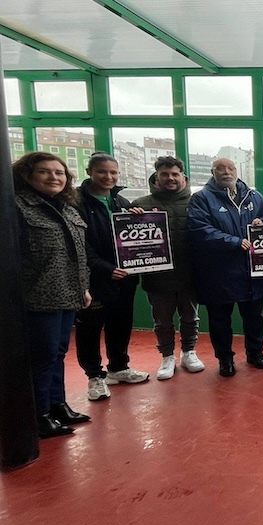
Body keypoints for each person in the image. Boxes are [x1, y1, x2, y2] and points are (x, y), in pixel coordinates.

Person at [14, 152, 92, 437]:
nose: (54, 178)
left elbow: (79, 254)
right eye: (45, 172)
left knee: (58, 352)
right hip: (37, 295)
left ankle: (58, 405)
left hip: (69, 292)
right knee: (42, 355)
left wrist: (83, 287)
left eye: (59, 173)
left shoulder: (67, 208)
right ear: (27, 175)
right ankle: (39, 414)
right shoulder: (17, 207)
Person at [187, 158, 263, 377]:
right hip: (218, 273)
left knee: (255, 318)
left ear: (237, 171)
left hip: (252, 271)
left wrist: (262, 222)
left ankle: (255, 353)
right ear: (212, 172)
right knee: (220, 321)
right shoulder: (201, 199)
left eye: (231, 168)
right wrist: (234, 242)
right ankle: (225, 359)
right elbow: (200, 231)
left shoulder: (253, 196)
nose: (226, 172)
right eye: (220, 169)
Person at [75, 152, 149, 401]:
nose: (108, 177)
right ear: (89, 172)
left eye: (113, 172)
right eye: (102, 172)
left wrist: (136, 216)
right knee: (91, 329)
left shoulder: (120, 202)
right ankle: (95, 376)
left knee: (120, 323)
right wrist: (105, 268)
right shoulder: (77, 203)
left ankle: (119, 367)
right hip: (96, 278)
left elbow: (131, 237)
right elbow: (81, 246)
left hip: (125, 276)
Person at [132, 156, 205, 380]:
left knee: (190, 317)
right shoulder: (140, 205)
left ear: (184, 177)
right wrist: (132, 220)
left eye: (175, 174)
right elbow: (128, 243)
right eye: (165, 174)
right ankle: (167, 356)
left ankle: (189, 352)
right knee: (162, 320)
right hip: (157, 276)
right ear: (157, 177)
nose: (170, 178)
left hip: (189, 274)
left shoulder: (197, 202)